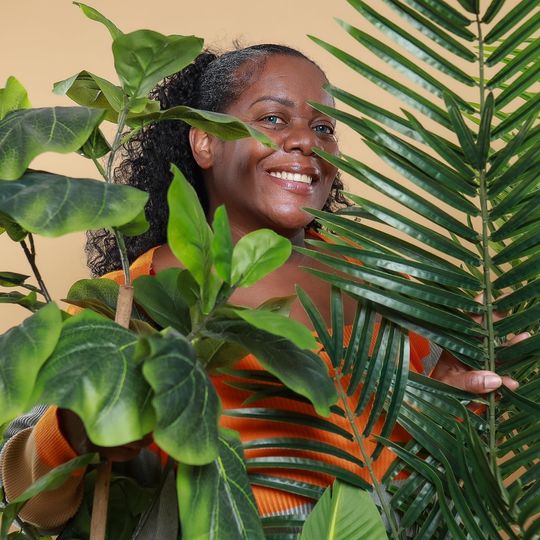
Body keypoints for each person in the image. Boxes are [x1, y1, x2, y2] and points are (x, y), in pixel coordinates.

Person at [0, 44, 519, 534]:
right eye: (273, 118)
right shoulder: (120, 305)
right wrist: (70, 430)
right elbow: (31, 505)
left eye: (323, 126)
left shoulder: (392, 286)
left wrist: (464, 406)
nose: (305, 141)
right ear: (204, 140)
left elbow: (431, 479)